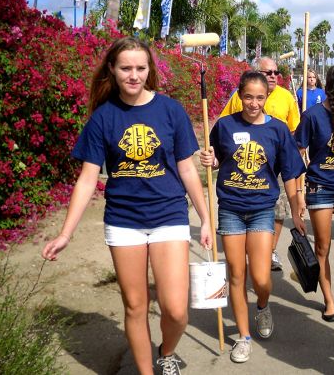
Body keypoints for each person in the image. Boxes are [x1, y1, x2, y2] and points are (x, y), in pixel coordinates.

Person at [42, 37, 212, 375]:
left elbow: (187, 168)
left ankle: (166, 350)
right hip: (123, 221)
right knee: (135, 306)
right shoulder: (103, 118)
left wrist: (206, 219)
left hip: (168, 214)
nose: (133, 75)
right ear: (112, 70)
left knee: (176, 310)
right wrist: (65, 234)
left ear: (149, 70)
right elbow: (88, 179)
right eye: (125, 68)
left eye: (140, 68)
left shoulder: (170, 110)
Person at [200, 71, 306, 364]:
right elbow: (219, 157)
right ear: (239, 95)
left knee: (260, 278)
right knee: (236, 274)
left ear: (267, 97)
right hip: (231, 208)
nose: (253, 103)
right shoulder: (223, 125)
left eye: (260, 97)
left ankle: (261, 305)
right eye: (248, 96)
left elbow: (289, 170)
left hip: (262, 208)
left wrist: (297, 204)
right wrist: (212, 160)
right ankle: (243, 337)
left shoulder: (279, 130)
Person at [219, 57, 300, 271]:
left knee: (278, 211)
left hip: (274, 165)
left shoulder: (286, 97)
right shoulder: (234, 106)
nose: (273, 75)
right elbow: (222, 137)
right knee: (237, 269)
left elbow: (293, 129)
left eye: (275, 72)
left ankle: (268, 252)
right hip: (236, 188)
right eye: (268, 72)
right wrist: (214, 157)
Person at [295, 64, 334, 322]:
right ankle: (329, 300)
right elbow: (298, 151)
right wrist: (299, 193)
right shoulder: (311, 116)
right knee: (322, 247)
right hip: (319, 187)